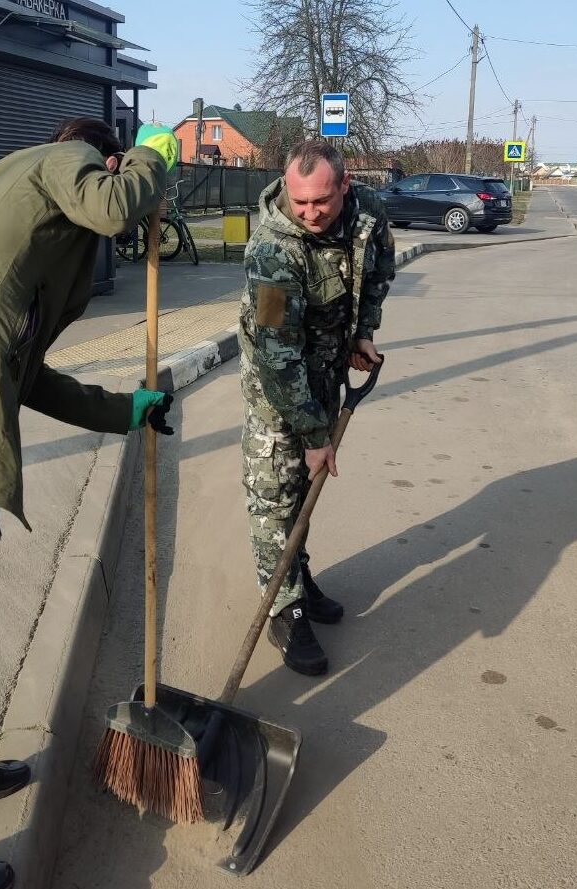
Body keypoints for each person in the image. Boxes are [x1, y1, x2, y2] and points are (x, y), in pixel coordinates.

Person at [0, 117, 178, 889]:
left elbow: (31, 375)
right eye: (114, 167)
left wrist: (126, 408)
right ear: (101, 154)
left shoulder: (20, 218)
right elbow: (116, 204)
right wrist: (155, 156)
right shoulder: (63, 158)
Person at [239, 140, 395, 676]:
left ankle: (298, 577)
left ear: (345, 185)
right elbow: (277, 355)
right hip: (277, 388)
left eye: (321, 203)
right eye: (299, 202)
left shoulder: (368, 213)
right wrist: (312, 437)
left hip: (328, 372)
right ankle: (285, 610)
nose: (309, 214)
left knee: (305, 491)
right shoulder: (272, 253)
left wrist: (363, 333)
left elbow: (378, 272)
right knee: (275, 496)